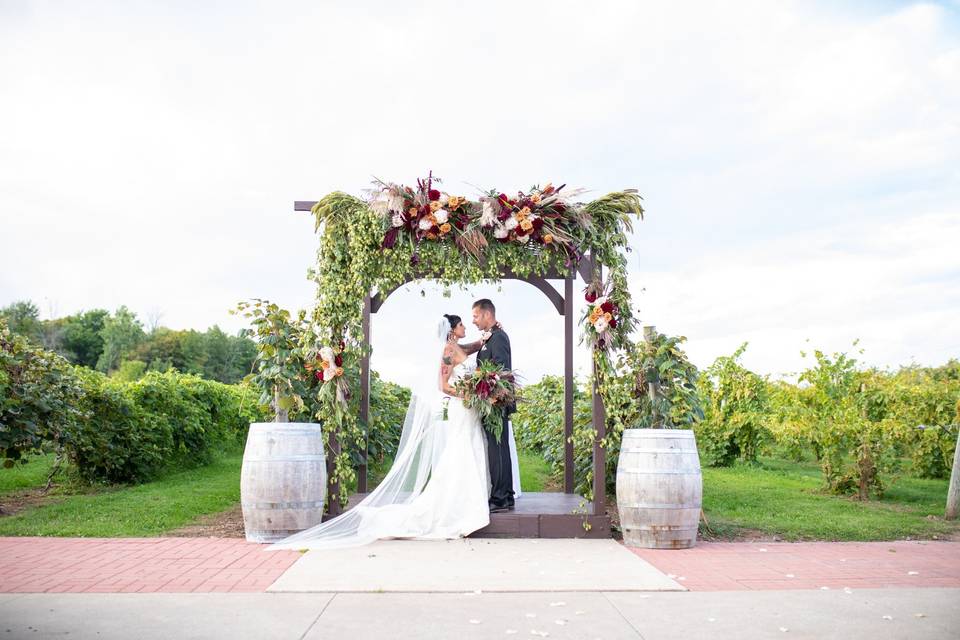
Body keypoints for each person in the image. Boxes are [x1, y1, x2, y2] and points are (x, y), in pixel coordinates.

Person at [266, 314, 491, 550]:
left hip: (467, 410)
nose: (466, 326)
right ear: (453, 330)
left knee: (467, 449)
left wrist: (482, 341)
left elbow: (467, 350)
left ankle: (469, 499)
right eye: (462, 324)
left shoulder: (455, 347)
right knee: (460, 451)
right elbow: (443, 386)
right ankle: (458, 504)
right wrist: (469, 394)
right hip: (461, 406)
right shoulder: (447, 350)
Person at [471, 299, 516, 513]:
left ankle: (500, 498)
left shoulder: (498, 338)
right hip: (491, 402)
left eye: (476, 316)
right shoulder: (491, 336)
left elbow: (502, 370)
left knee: (497, 450)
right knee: (498, 449)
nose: (473, 321)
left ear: (487, 314)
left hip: (496, 402)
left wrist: (494, 397)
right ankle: (505, 495)